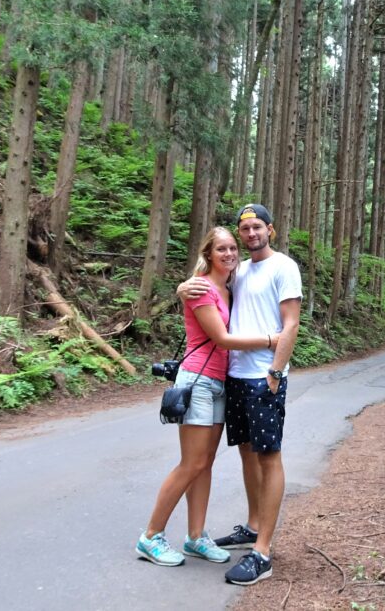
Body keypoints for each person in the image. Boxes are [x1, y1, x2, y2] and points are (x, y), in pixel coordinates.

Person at [136, 227, 281, 568]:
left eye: (233, 248)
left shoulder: (229, 285)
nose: (230, 253)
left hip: (220, 383)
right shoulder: (201, 286)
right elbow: (221, 338)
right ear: (209, 253)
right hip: (199, 380)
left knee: (205, 464)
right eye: (221, 249)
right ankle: (151, 536)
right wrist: (272, 341)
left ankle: (196, 536)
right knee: (192, 463)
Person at [179, 203, 301, 586]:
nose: (250, 235)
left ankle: (262, 552)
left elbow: (290, 323)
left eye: (257, 227)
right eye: (244, 229)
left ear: (271, 229)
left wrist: (275, 373)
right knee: (248, 454)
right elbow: (206, 287)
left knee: (269, 457)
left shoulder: (284, 267)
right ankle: (252, 526)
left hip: (264, 378)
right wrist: (182, 286)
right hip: (234, 377)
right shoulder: (239, 271)